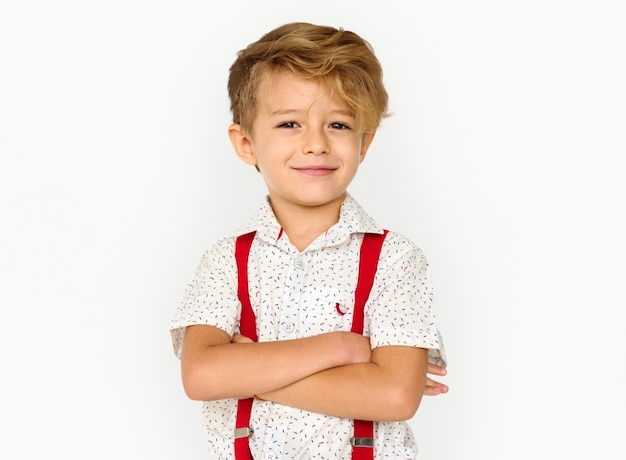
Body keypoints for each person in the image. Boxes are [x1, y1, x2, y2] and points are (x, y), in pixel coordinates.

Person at [170, 21, 448, 459]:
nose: (315, 143)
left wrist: (251, 373)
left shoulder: (395, 259)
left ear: (364, 142)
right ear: (246, 143)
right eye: (289, 123)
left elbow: (394, 395)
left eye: (337, 124)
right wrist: (340, 348)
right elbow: (202, 376)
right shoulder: (226, 260)